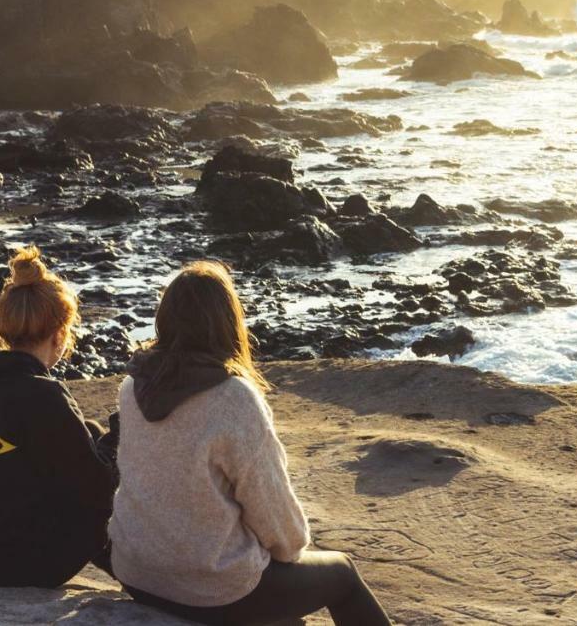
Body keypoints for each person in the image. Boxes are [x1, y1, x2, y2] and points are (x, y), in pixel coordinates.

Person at [110, 261, 391, 626]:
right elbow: (281, 529)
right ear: (227, 322)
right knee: (343, 573)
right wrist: (284, 555)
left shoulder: (132, 388)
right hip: (212, 590)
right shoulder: (233, 398)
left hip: (137, 573)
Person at [0, 245, 118, 587]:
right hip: (15, 566)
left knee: (87, 432)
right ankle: (138, 576)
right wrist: (121, 437)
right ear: (60, 334)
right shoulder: (42, 395)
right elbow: (97, 489)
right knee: (103, 461)